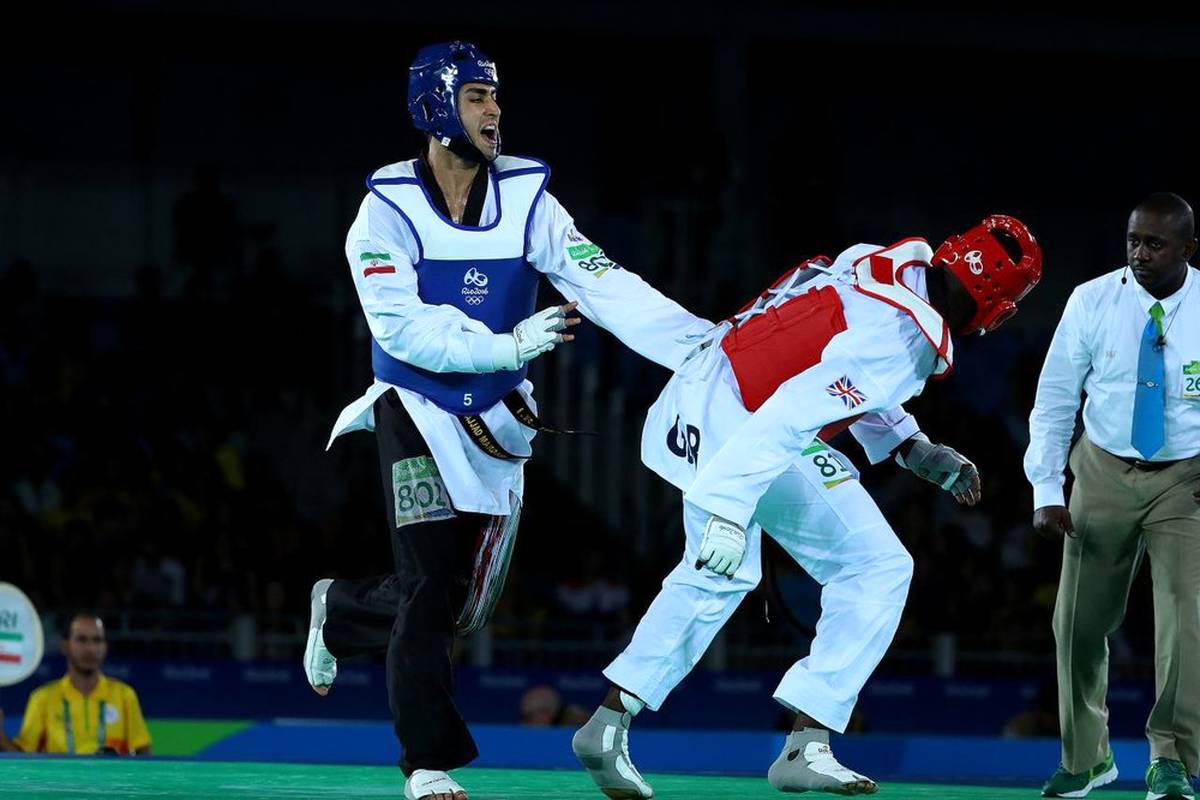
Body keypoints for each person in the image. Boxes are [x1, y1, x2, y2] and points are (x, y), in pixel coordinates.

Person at [303, 41, 711, 800]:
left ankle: (341, 610)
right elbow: (400, 329)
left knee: (463, 606)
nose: (494, 110)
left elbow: (605, 284)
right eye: (477, 96)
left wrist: (701, 346)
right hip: (413, 409)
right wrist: (507, 345)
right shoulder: (384, 211)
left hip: (498, 421)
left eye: (496, 96)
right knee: (429, 584)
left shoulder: (529, 198)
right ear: (435, 105)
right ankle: (427, 762)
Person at [571, 216, 1043, 797]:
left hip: (712, 384)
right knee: (849, 566)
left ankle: (616, 726)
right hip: (744, 423)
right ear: (1000, 310)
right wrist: (728, 509)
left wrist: (909, 443)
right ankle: (795, 744)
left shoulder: (879, 262)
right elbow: (795, 409)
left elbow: (837, 365)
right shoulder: (904, 343)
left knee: (760, 572)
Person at [1025, 192, 1200, 800]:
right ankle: (1086, 758)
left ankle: (1171, 758)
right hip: (1101, 469)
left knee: (1186, 618)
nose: (1140, 253)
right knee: (1076, 621)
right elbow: (1055, 397)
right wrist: (1046, 487)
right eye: (1133, 241)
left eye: (1155, 244)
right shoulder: (1091, 300)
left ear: (1188, 249)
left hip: (1187, 476)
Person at [0, 614, 151, 755]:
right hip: (60, 777)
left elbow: (143, 752)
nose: (90, 649)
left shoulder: (124, 695)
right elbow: (22, 758)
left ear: (105, 647)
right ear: (65, 646)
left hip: (111, 776)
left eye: (97, 640)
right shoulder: (42, 698)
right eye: (81, 640)